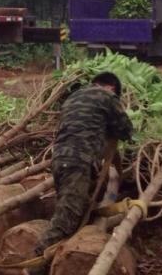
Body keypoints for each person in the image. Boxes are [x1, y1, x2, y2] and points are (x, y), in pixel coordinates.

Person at [33, 71, 133, 260]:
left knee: (75, 209)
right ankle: (34, 264)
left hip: (59, 160)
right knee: (66, 221)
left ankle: (56, 260)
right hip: (78, 163)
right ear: (111, 88)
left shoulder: (73, 98)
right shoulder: (107, 96)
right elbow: (126, 130)